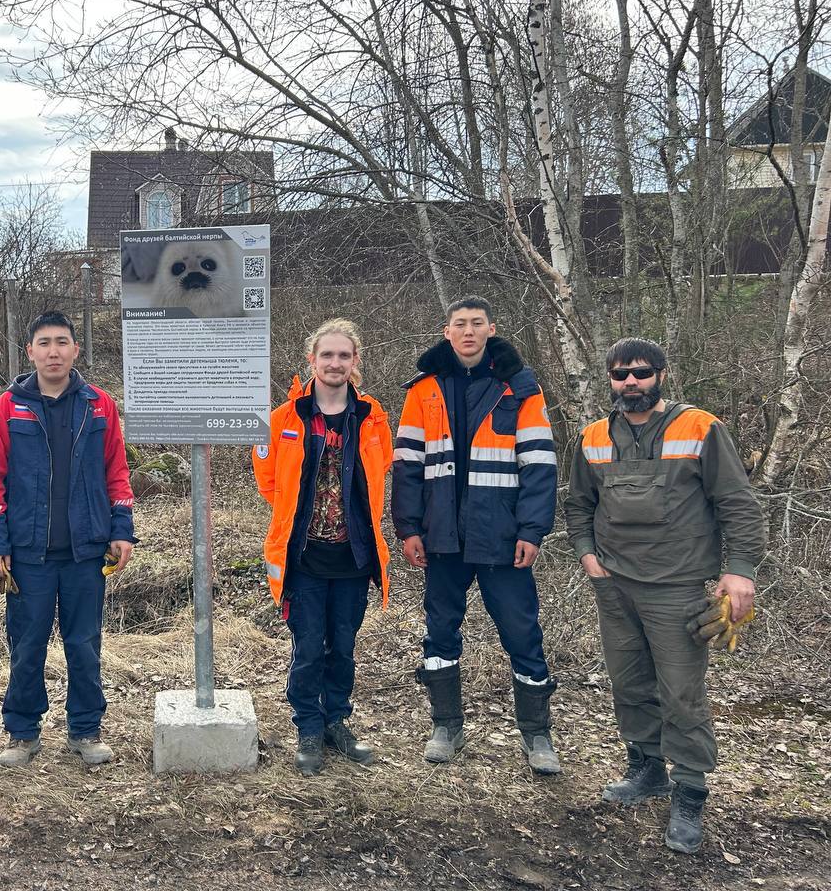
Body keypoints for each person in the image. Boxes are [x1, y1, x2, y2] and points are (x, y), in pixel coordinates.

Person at [564, 337, 764, 854]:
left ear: (661, 375)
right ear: (609, 379)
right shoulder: (591, 437)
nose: (631, 382)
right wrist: (587, 553)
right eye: (621, 374)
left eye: (641, 372)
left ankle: (690, 790)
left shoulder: (700, 428)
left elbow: (737, 502)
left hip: (676, 588)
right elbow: (578, 504)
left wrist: (739, 571)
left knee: (681, 692)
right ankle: (647, 768)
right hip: (614, 586)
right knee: (629, 683)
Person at [392, 296, 561, 774]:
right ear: (447, 332)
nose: (468, 331)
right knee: (440, 631)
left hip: (502, 536)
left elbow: (540, 465)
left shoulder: (521, 388)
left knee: (522, 632)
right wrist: (408, 527)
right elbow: (406, 465)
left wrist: (532, 528)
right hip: (442, 537)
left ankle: (537, 734)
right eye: (459, 324)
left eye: (477, 324)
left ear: (491, 328)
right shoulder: (422, 389)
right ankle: (446, 725)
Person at [0, 311, 136, 768]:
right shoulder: (9, 405)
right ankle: (22, 732)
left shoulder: (99, 404)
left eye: (62, 342)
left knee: (84, 643)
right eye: (44, 342)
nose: (53, 351)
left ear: (75, 350)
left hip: (86, 551)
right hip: (27, 555)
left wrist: (121, 529)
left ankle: (85, 729)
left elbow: (117, 472)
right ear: (30, 351)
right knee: (26, 644)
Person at [252, 319, 393, 775]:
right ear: (311, 360)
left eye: (344, 356)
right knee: (309, 646)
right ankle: (308, 727)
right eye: (327, 355)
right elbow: (269, 483)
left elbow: (380, 474)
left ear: (355, 363)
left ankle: (337, 721)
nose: (335, 363)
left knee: (344, 647)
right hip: (305, 560)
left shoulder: (373, 418)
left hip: (353, 557)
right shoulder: (283, 418)